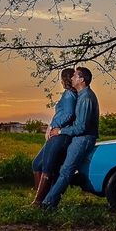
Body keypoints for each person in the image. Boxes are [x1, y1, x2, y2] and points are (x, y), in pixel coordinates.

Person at [41, 66, 99, 209]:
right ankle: (77, 180)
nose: (71, 78)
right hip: (78, 137)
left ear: (81, 80)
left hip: (83, 139)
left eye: (75, 76)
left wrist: (60, 131)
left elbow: (81, 127)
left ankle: (47, 205)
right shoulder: (81, 95)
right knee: (63, 169)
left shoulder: (86, 98)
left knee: (66, 170)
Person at [30, 68, 77, 205]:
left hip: (60, 136)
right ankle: (42, 198)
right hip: (57, 135)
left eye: (62, 79)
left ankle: (39, 202)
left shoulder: (69, 94)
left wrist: (53, 126)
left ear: (64, 79)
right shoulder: (70, 94)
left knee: (47, 169)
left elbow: (68, 114)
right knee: (37, 164)